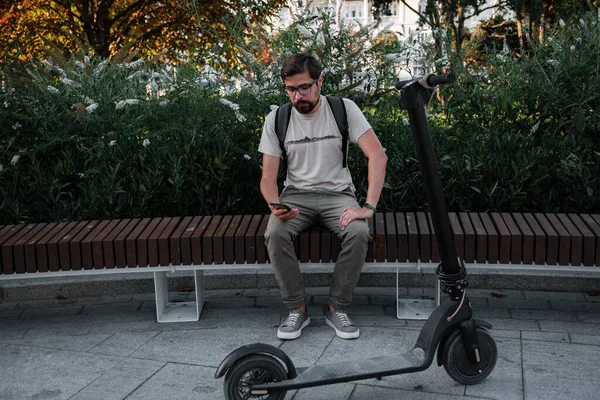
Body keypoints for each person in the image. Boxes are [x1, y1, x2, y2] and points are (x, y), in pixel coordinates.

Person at [258, 52, 387, 340]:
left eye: (304, 87)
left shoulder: (344, 109)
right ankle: (297, 309)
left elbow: (377, 155)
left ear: (320, 81)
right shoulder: (277, 118)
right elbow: (268, 176)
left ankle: (336, 308)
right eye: (290, 89)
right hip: (296, 197)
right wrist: (274, 205)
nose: (297, 96)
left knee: (357, 231)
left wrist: (368, 206)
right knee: (275, 233)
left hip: (338, 194)